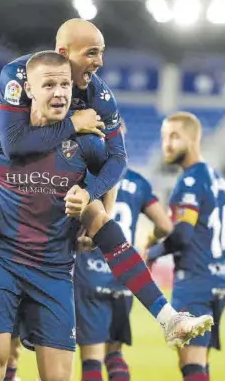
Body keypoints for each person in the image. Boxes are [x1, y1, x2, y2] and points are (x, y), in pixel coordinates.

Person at [0, 52, 213, 378]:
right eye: (49, 84)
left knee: (101, 225)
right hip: (1, 262)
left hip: (53, 270)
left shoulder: (85, 141)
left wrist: (97, 200)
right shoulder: (1, 128)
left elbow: (111, 166)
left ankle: (168, 318)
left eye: (65, 84)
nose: (60, 92)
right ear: (29, 89)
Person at [143, 112, 225, 381]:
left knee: (191, 364)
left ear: (194, 139)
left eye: (175, 136)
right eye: (164, 137)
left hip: (195, 282)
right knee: (201, 361)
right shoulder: (216, 178)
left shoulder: (189, 181)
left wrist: (152, 254)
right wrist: (213, 252)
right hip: (220, 281)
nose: (167, 143)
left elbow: (181, 236)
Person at [74, 149, 174, 381]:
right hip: (125, 278)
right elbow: (166, 226)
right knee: (115, 353)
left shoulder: (87, 176)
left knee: (91, 357)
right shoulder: (139, 182)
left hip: (90, 276)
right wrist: (150, 241)